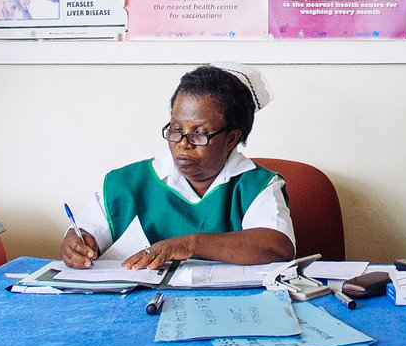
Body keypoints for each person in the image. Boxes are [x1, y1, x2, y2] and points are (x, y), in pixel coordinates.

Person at [61, 63, 295, 270]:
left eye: (199, 134)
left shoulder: (257, 185)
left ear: (232, 138)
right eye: (175, 129)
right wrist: (76, 244)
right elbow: (84, 232)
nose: (183, 144)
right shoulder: (126, 183)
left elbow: (277, 246)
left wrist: (189, 244)